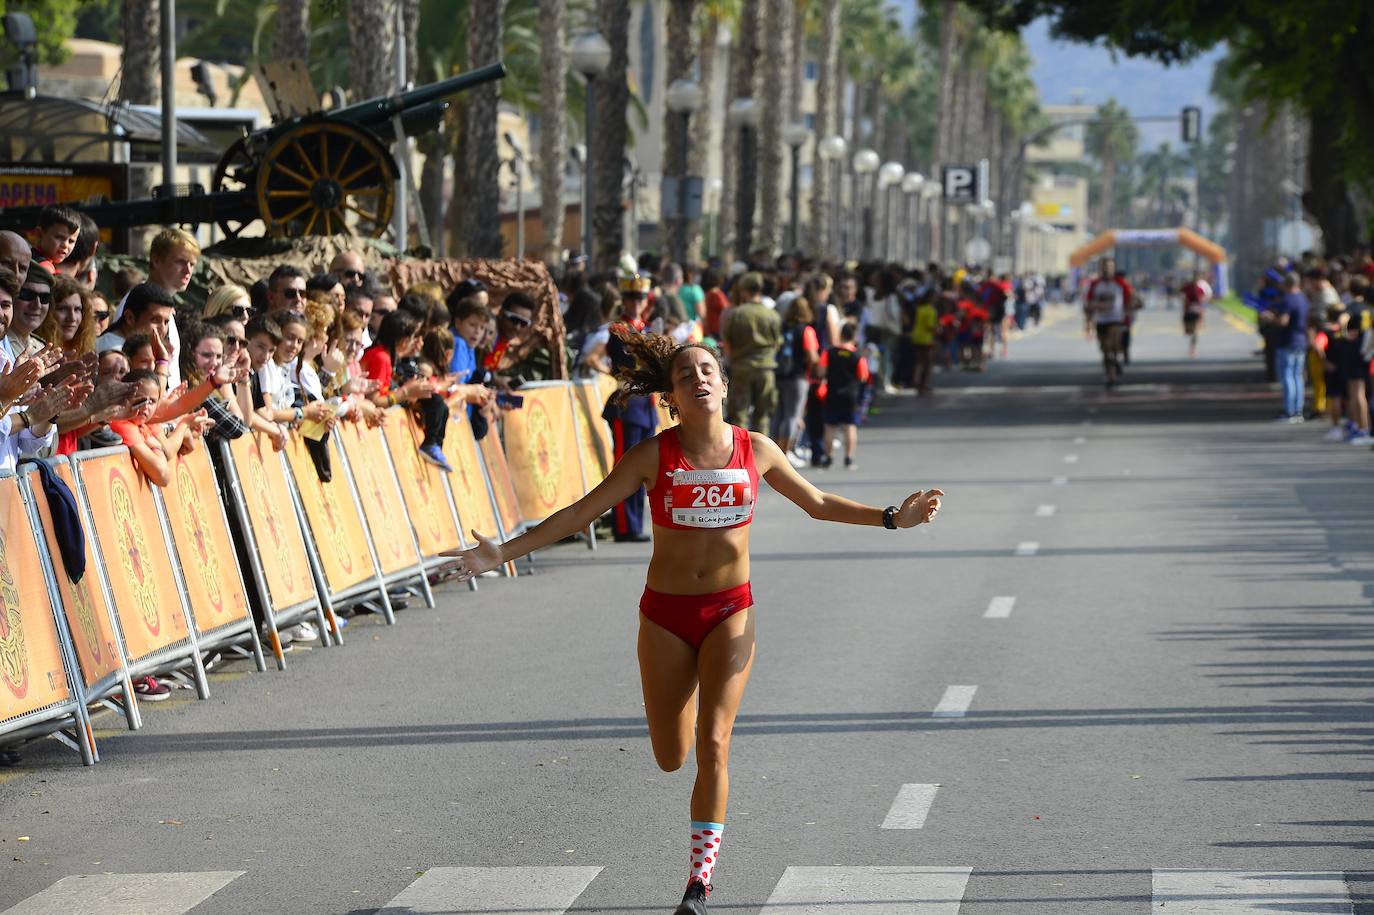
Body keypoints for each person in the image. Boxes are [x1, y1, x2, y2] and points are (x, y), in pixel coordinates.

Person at [440, 329, 944, 915]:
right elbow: (581, 513)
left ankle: (698, 883)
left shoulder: (757, 449)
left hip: (732, 611)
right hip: (665, 617)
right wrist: (501, 552)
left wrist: (892, 518)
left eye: (707, 370)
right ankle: (678, 743)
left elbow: (820, 503)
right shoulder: (653, 455)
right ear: (671, 398)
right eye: (685, 376)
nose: (698, 379)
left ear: (725, 386)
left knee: (714, 741)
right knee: (670, 754)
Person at [720, 273, 782, 433]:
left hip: (742, 368)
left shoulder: (737, 314)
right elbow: (777, 344)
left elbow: (727, 344)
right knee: (763, 416)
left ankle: (742, 454)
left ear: (744, 291)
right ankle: (762, 455)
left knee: (739, 415)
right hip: (765, 369)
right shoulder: (772, 315)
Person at [770, 296, 818, 465]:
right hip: (797, 376)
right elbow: (812, 356)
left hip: (778, 375)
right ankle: (785, 452)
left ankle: (774, 451)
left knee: (778, 414)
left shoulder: (781, 328)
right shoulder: (806, 330)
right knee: (793, 415)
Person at [818, 321, 871, 470]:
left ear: (841, 335)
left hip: (832, 394)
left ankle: (828, 458)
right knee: (850, 427)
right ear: (855, 336)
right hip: (850, 396)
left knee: (830, 427)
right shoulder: (858, 355)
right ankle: (848, 459)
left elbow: (821, 372)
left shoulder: (829, 352)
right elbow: (863, 377)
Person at [1084, 258, 1132, 388]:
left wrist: (1129, 312)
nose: (1107, 269)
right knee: (1105, 350)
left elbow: (1131, 299)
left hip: (1116, 321)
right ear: (1101, 268)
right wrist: (1088, 322)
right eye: (1105, 267)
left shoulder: (1121, 283)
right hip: (1101, 321)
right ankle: (1110, 375)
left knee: (1113, 348)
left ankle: (1114, 366)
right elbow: (1088, 303)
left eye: (1110, 267)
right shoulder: (1095, 284)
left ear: (1114, 269)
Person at [1269, 272, 1309, 423]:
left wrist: (1271, 318)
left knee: (1287, 376)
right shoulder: (1303, 298)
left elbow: (1283, 321)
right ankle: (1298, 410)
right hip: (1301, 340)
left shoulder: (1288, 299)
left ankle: (1289, 410)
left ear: (1287, 284)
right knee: (1298, 376)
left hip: (1288, 341)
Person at [29, 204, 80, 274]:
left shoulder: (30, 258)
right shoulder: (45, 269)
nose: (65, 245)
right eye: (59, 237)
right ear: (39, 234)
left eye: (71, 241)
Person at [1181, 272, 1210, 357]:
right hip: (1190, 311)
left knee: (1194, 331)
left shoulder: (1199, 288)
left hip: (1194, 311)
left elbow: (1202, 300)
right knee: (1191, 331)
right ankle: (1192, 345)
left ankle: (1192, 349)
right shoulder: (1187, 287)